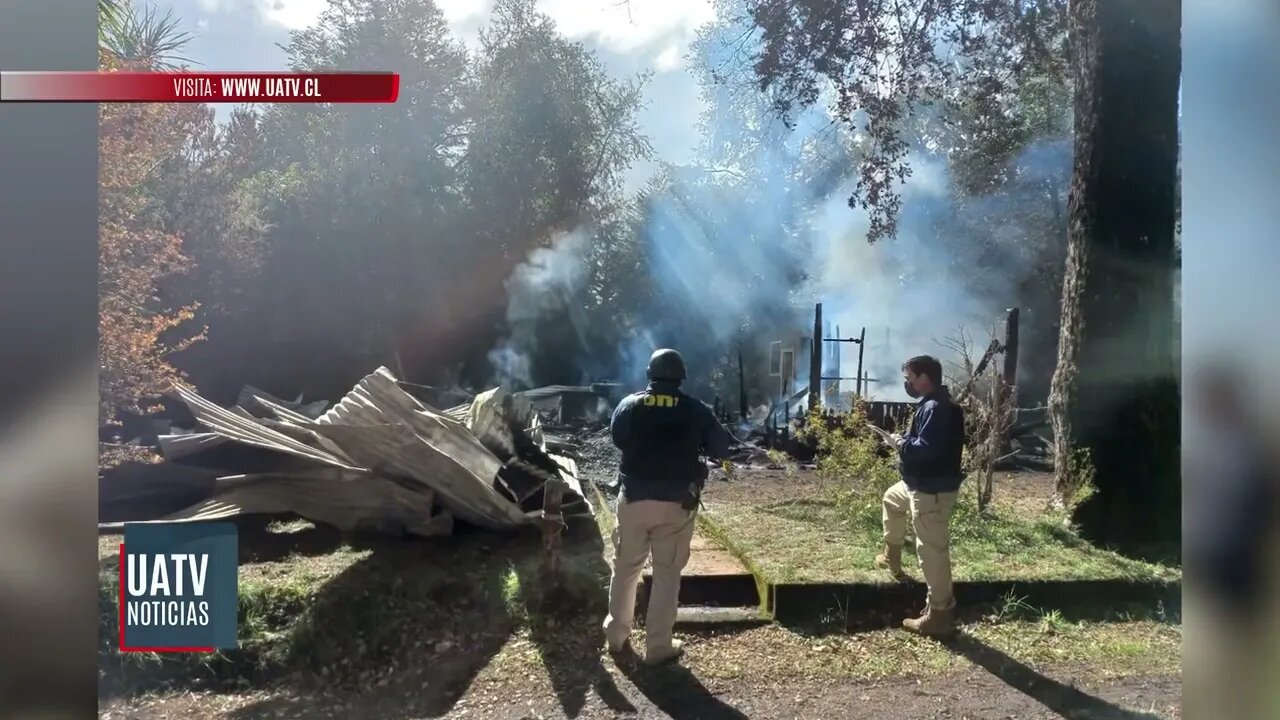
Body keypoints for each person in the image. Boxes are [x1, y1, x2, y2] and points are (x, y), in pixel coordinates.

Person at [603, 348, 736, 665]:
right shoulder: (695, 409)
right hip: (676, 504)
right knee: (666, 574)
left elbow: (618, 438)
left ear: (649, 374)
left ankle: (616, 635)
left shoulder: (629, 405)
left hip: (633, 498)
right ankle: (658, 647)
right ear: (681, 377)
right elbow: (721, 447)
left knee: (625, 569)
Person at [873, 354, 966, 637]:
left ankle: (939, 614)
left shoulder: (936, 407)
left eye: (909, 379)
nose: (907, 384)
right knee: (892, 498)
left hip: (931, 491)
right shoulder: (933, 404)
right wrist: (903, 441)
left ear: (924, 378)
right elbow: (927, 444)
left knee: (932, 552)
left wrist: (900, 443)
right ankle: (892, 555)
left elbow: (927, 449)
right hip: (917, 484)